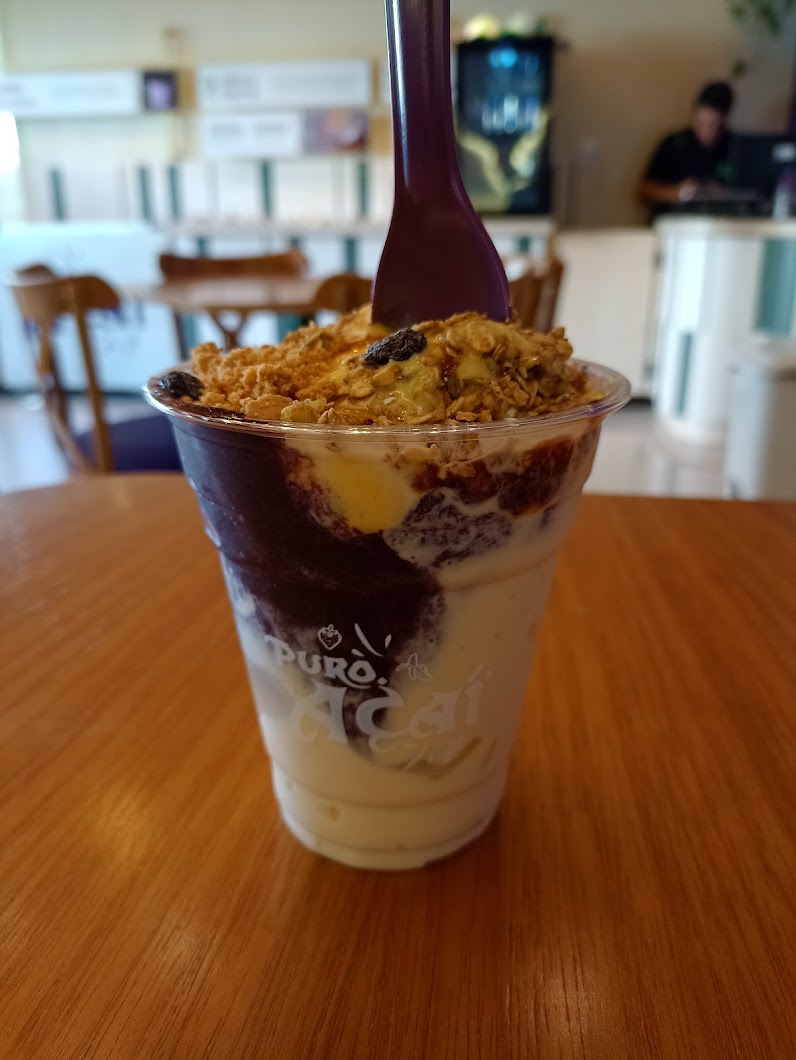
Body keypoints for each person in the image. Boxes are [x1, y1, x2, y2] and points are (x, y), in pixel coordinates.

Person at [638, 81, 735, 216]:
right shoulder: (673, 143)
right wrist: (679, 193)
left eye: (712, 125)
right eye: (700, 124)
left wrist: (726, 195)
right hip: (675, 219)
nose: (705, 132)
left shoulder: (734, 146)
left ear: (725, 120)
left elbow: (751, 191)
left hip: (719, 220)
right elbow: (644, 190)